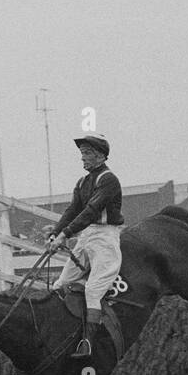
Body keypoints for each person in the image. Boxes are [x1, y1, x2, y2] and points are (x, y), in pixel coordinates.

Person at [46, 132, 124, 359]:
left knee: (92, 290)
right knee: (62, 283)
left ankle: (88, 344)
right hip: (87, 236)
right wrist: (55, 233)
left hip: (105, 239)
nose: (83, 158)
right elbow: (72, 211)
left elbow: (91, 211)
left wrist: (65, 235)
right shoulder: (82, 182)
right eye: (81, 154)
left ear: (100, 155)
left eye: (87, 154)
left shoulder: (108, 180)